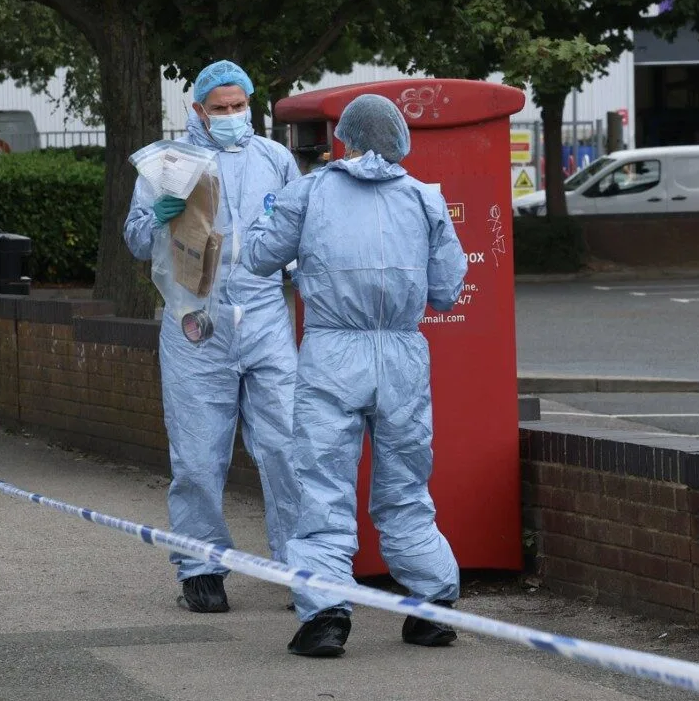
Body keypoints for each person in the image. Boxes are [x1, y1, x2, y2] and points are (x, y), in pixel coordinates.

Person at [241, 94, 469, 657]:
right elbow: (446, 289)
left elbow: (258, 256)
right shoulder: (424, 198)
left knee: (320, 485)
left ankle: (326, 617)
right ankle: (432, 603)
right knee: (405, 485)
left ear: (344, 137)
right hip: (401, 356)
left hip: (332, 351)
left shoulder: (311, 190)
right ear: (397, 140)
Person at [124, 60, 301, 614]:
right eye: (218, 108)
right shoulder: (168, 163)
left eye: (237, 106)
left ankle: (302, 563)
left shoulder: (276, 160)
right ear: (197, 109)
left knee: (286, 448)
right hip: (194, 322)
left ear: (250, 103)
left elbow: (301, 235)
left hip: (266, 318)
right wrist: (160, 212)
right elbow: (134, 240)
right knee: (198, 453)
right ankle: (200, 567)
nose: (229, 116)